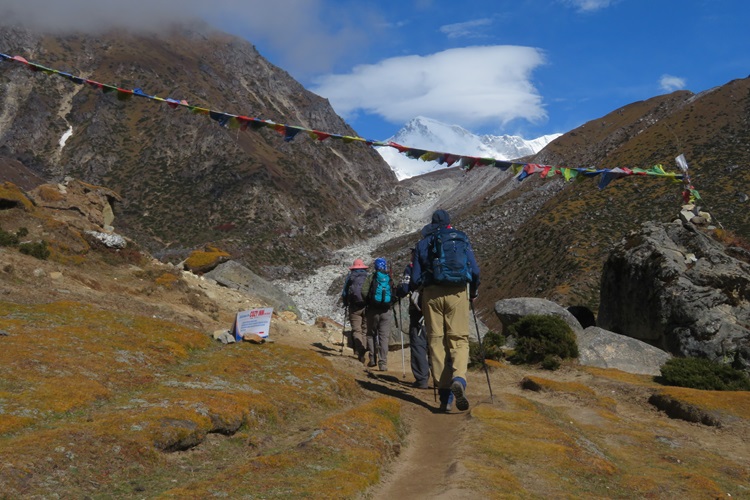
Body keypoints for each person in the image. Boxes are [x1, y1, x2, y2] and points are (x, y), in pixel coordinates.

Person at [411, 209, 480, 412]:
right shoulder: (459, 239)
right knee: (458, 340)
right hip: (457, 294)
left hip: (431, 295)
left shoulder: (423, 243)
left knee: (436, 341)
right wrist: (473, 291)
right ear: (449, 223)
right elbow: (474, 270)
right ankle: (459, 379)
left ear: (432, 224)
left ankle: (445, 397)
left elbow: (415, 278)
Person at [397, 249, 430, 389]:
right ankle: (442, 380)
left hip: (418, 311)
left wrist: (398, 291)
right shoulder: (434, 266)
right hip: (437, 309)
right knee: (437, 342)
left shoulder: (411, 268)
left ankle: (422, 379)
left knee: (418, 343)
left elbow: (404, 289)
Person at [362, 257, 396, 371]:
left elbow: (364, 292)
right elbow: (394, 292)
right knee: (384, 337)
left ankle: (372, 359)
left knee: (371, 334)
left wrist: (368, 301)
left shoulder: (371, 277)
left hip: (372, 310)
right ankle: (383, 363)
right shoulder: (389, 278)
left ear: (375, 266)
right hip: (386, 311)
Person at [341, 258, 369, 363]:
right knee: (365, 330)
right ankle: (366, 351)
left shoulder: (350, 277)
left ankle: (360, 351)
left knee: (357, 330)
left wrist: (345, 303)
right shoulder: (368, 276)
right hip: (367, 306)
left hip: (354, 307)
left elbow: (344, 292)